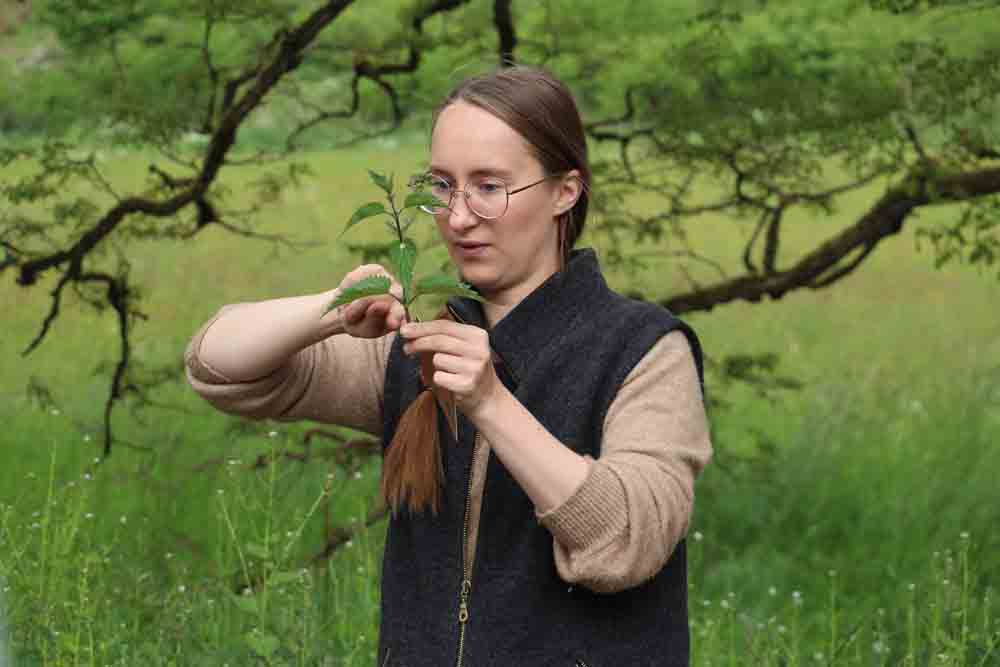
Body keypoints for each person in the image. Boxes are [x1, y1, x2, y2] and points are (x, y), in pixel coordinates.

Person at [185, 65, 712, 667]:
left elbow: (625, 542)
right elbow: (217, 365)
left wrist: (490, 403)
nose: (458, 218)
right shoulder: (422, 342)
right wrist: (329, 312)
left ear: (565, 190)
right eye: (441, 186)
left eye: (489, 187)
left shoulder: (643, 350)